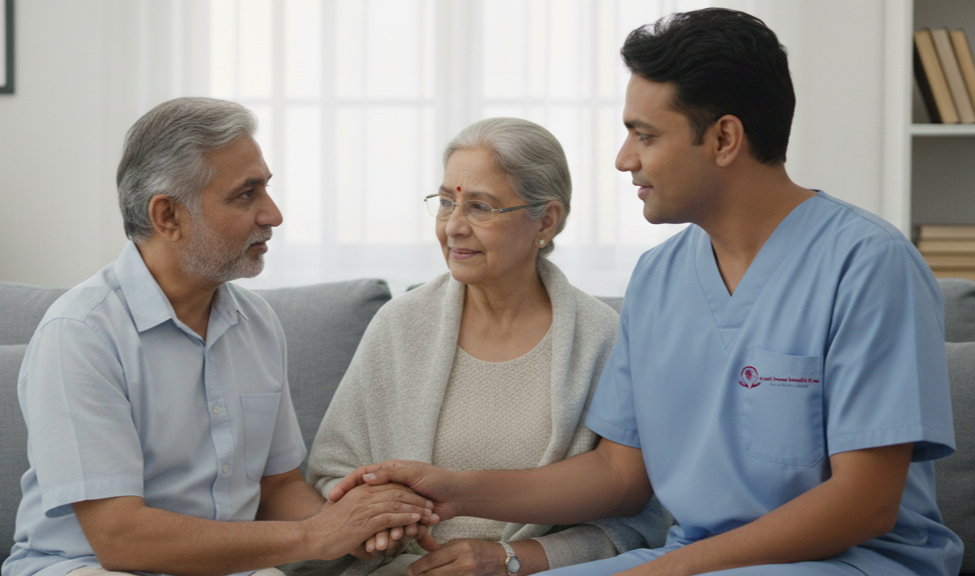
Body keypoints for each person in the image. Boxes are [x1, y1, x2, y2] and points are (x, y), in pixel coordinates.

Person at [327, 9, 964, 576]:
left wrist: (674, 567)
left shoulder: (869, 265)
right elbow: (618, 477)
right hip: (687, 557)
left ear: (723, 139)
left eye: (646, 135)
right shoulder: (658, 277)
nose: (623, 159)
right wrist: (455, 491)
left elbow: (865, 503)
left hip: (844, 560)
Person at [2, 97, 435, 576]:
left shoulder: (257, 322)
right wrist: (316, 535)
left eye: (265, 189)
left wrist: (359, 528)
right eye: (246, 195)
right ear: (168, 216)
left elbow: (276, 487)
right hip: (88, 568)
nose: (273, 215)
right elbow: (118, 537)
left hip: (230, 567)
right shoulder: (80, 335)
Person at [306, 117, 668, 576]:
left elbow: (639, 520)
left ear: (547, 219)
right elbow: (333, 473)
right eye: (445, 202)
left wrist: (516, 559)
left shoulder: (604, 339)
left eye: (480, 207)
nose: (453, 226)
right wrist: (379, 515)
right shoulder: (401, 324)